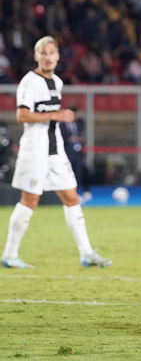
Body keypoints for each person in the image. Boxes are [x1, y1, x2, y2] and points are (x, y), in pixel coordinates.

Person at [1, 36, 111, 269]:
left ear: (58, 56)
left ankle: (87, 253)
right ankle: (9, 254)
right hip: (34, 151)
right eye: (44, 53)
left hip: (56, 152)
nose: (48, 57)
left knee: (72, 198)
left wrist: (57, 116)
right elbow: (22, 116)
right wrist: (56, 115)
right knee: (29, 201)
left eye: (52, 52)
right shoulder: (28, 82)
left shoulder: (58, 83)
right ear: (36, 56)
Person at [59, 104, 92, 201]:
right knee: (67, 174)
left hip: (77, 153)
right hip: (66, 153)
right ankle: (68, 194)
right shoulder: (61, 125)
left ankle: (76, 193)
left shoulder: (80, 123)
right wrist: (70, 139)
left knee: (79, 172)